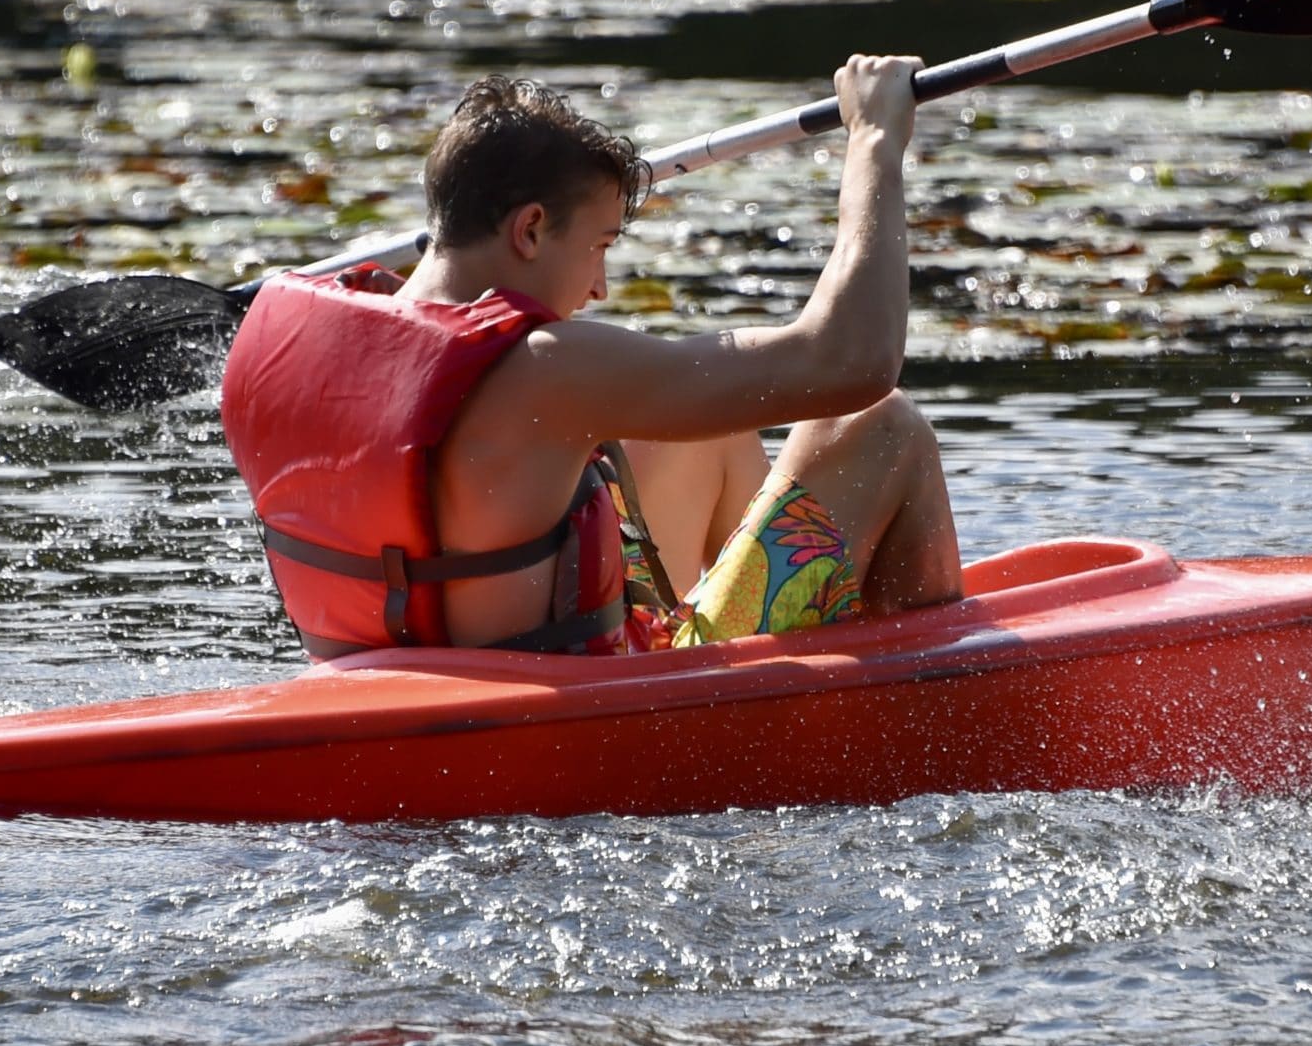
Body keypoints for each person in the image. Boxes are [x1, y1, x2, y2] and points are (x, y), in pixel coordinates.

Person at [218, 56, 960, 657]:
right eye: (599, 247)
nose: (600, 286)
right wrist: (873, 139)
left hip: (404, 671)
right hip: (586, 712)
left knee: (712, 426)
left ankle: (802, 641)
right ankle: (902, 702)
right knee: (879, 423)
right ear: (531, 228)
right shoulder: (544, 369)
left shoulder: (277, 337)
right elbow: (852, 362)